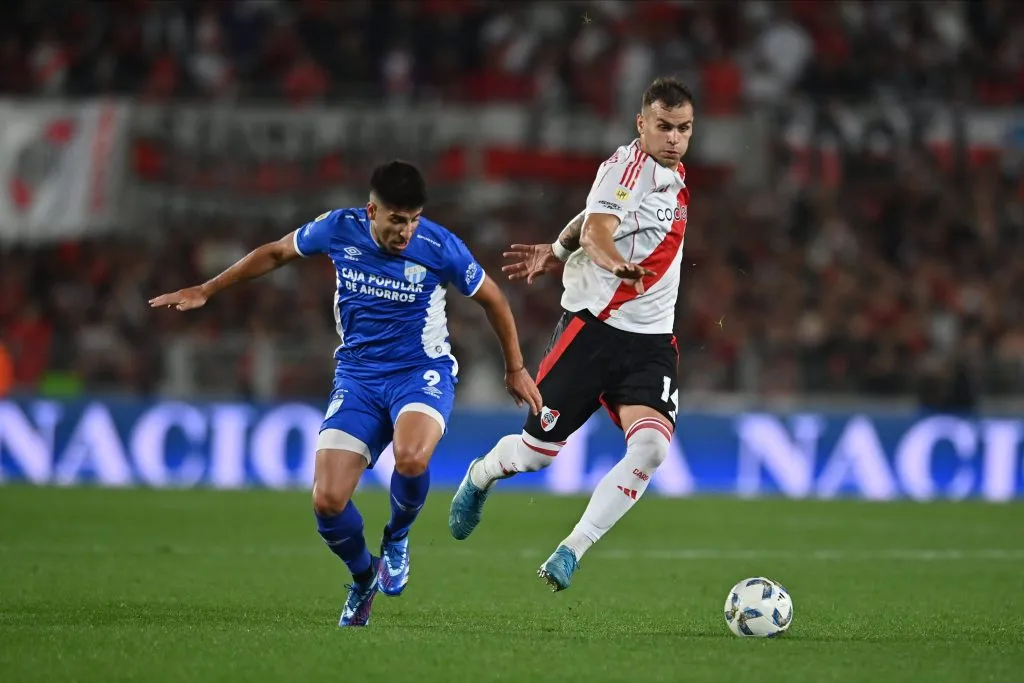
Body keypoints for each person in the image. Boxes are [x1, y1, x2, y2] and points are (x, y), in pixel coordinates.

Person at [150, 160, 542, 625]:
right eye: (397, 220)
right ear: (371, 210)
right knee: (327, 501)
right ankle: (363, 580)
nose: (406, 231)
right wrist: (208, 289)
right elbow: (276, 253)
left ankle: (397, 538)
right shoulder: (338, 228)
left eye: (414, 219)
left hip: (420, 372)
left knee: (412, 458)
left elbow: (493, 298)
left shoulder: (440, 247)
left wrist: (515, 367)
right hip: (357, 377)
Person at [448, 77, 694, 591]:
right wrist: (615, 264)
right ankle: (482, 474)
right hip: (592, 333)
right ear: (641, 124)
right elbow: (598, 230)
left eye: (684, 128)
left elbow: (589, 218)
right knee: (537, 453)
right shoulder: (624, 168)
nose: (674, 138)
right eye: (664, 127)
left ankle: (571, 550)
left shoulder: (671, 176)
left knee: (650, 448)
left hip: (651, 343)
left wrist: (556, 251)